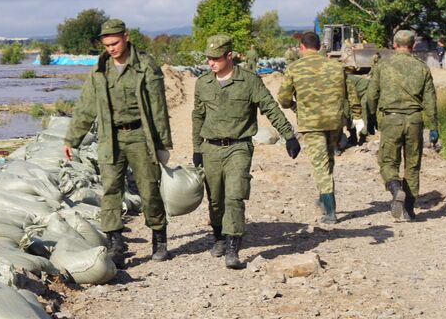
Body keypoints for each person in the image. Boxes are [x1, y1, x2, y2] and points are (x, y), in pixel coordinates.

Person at [63, 19, 173, 266]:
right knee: (111, 188)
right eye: (107, 45)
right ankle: (115, 242)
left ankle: (159, 238)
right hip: (110, 137)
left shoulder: (145, 67)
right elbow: (86, 106)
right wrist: (72, 138)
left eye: (115, 43)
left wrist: (162, 144)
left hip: (139, 136)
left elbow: (158, 108)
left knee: (149, 188)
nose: (111, 48)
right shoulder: (100, 71)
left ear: (126, 37)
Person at [192, 34, 301, 269]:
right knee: (216, 199)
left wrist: (289, 135)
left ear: (229, 56)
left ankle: (233, 246)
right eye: (209, 58)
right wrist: (196, 148)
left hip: (239, 147)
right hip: (210, 148)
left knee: (234, 196)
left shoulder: (249, 81)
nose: (211, 63)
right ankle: (219, 236)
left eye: (216, 58)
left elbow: (270, 107)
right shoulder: (203, 83)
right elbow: (197, 117)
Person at [278, 32, 362, 224]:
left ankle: (330, 210)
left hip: (311, 123)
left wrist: (294, 106)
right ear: (319, 47)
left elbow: (283, 98)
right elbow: (352, 93)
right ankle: (323, 197)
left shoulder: (295, 67)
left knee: (320, 164)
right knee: (329, 158)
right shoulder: (336, 66)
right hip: (334, 121)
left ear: (302, 47)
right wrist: (357, 116)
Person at [367, 30, 438, 221]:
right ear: (413, 45)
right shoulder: (422, 68)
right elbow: (430, 100)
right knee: (413, 165)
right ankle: (409, 209)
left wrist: (371, 117)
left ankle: (395, 188)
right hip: (415, 120)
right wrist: (433, 127)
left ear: (394, 44)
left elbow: (371, 94)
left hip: (391, 119)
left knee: (388, 161)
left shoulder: (382, 65)